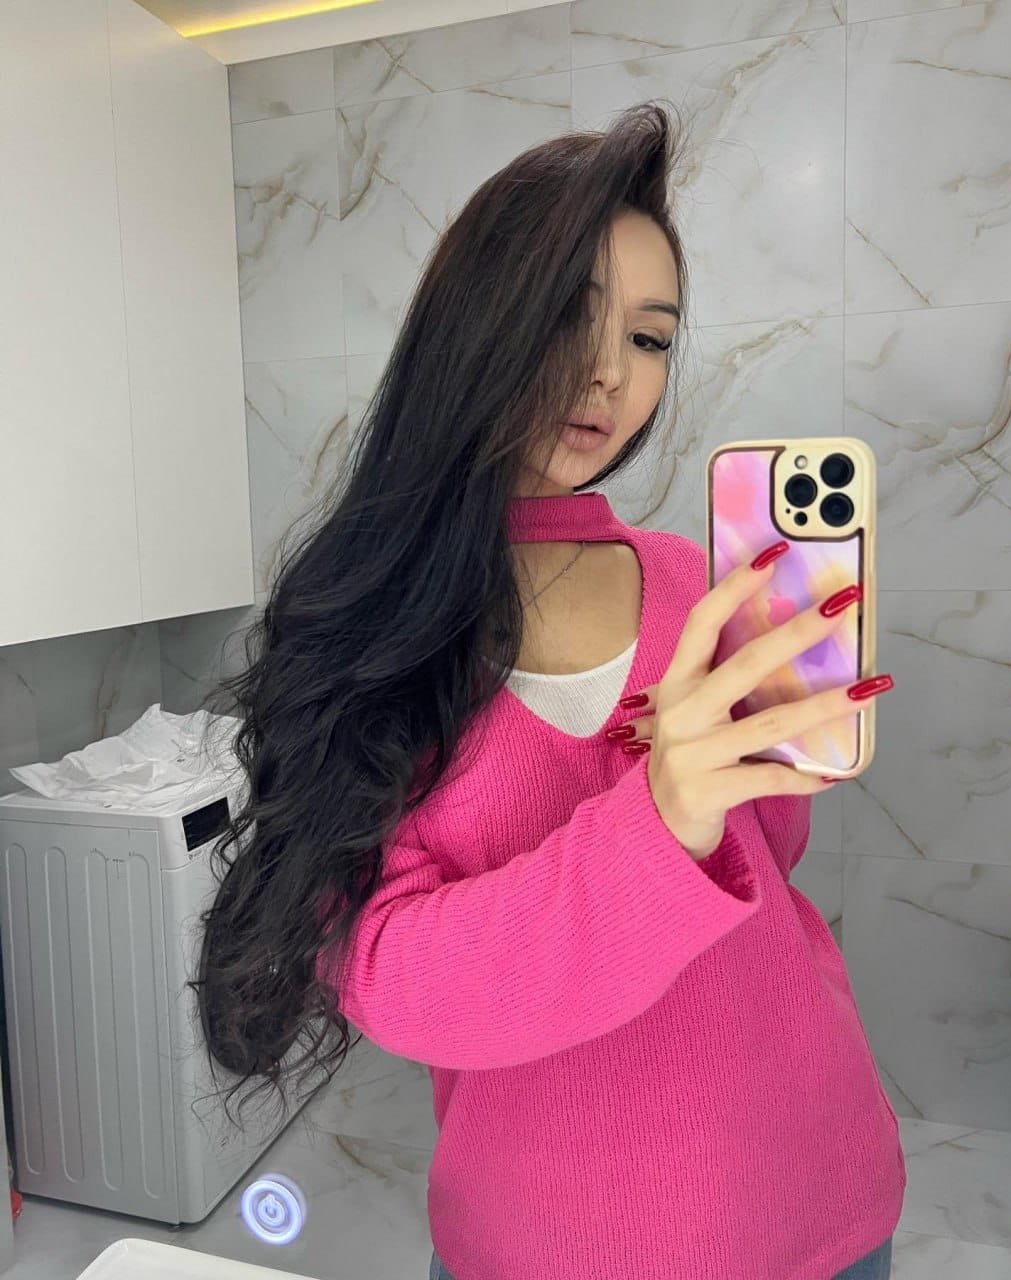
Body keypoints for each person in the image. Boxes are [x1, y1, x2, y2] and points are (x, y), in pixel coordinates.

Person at [191, 101, 904, 1279]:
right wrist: (656, 817)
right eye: (572, 315)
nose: (611, 373)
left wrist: (778, 739)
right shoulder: (377, 621)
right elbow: (389, 972)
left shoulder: (697, 584)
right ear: (477, 319)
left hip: (813, 1194)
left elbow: (767, 866)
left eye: (651, 338)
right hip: (542, 1241)